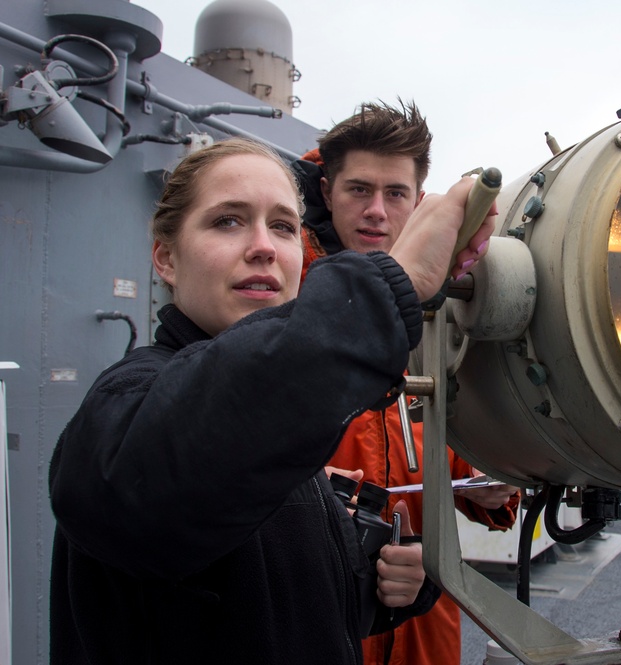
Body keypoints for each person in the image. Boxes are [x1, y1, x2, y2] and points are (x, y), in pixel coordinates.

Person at [47, 137, 496, 665]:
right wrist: (387, 288)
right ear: (166, 258)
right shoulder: (126, 403)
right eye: (228, 221)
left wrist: (396, 581)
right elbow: (160, 490)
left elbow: (285, 615)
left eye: (283, 226)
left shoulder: (277, 426)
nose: (264, 245)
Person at [292, 100, 520, 665]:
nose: (376, 211)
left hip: (423, 632)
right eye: (357, 190)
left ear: (419, 203)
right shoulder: (280, 303)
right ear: (325, 192)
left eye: (395, 194)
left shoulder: (441, 311)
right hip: (318, 624)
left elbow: (457, 451)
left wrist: (493, 488)